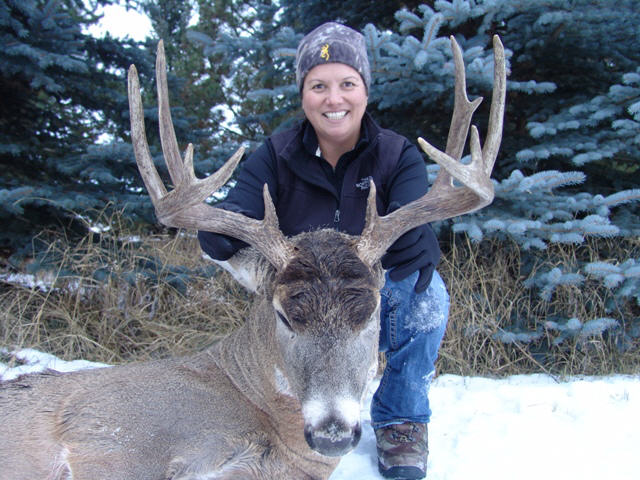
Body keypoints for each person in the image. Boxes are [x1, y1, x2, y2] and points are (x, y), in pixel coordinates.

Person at [198, 22, 449, 480]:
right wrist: (221, 229)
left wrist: (417, 234)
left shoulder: (396, 155)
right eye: (319, 86)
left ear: (365, 91)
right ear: (303, 95)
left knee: (427, 295)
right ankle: (291, 404)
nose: (334, 100)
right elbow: (237, 206)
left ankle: (401, 419)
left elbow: (413, 211)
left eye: (347, 84)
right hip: (301, 309)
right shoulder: (276, 154)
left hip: (366, 303)